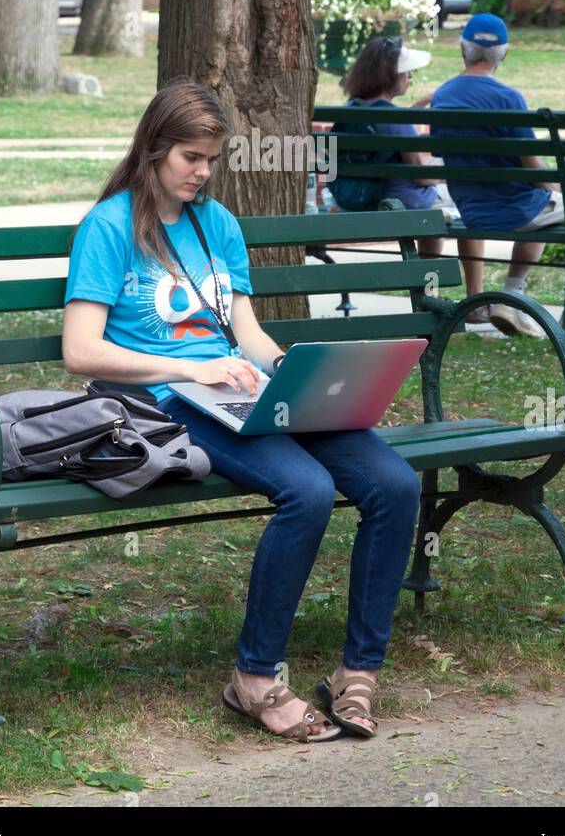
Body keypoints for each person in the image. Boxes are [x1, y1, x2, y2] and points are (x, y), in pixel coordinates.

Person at [62, 80, 422, 742]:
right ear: (153, 149)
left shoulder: (218, 225)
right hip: (170, 401)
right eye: (189, 158)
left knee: (395, 484)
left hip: (240, 388)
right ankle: (254, 678)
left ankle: (357, 674)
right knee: (308, 492)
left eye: (210, 159)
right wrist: (190, 367)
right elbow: (81, 351)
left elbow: (247, 331)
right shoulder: (109, 227)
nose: (202, 172)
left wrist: (291, 370)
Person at [429, 13, 565, 339]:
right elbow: (533, 168)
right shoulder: (508, 98)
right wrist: (562, 188)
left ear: (463, 50)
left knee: (544, 207)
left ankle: (511, 300)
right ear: (505, 54)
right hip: (514, 210)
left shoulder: (443, 96)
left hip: (471, 210)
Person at [327, 35, 488, 321]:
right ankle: (455, 297)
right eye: (406, 71)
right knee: (470, 199)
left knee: (436, 212)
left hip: (359, 199)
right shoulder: (392, 118)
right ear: (390, 75)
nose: (411, 76)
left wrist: (417, 107)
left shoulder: (351, 109)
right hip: (399, 204)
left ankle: (431, 295)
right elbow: (422, 177)